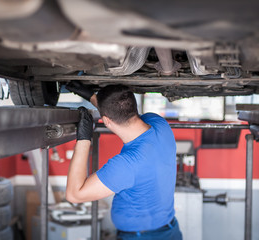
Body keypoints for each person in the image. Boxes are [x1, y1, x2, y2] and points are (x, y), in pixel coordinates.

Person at [65, 82, 182, 240]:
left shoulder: (127, 164)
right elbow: (122, 113)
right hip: (170, 230)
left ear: (106, 121)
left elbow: (74, 195)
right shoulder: (159, 124)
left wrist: (84, 140)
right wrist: (93, 97)